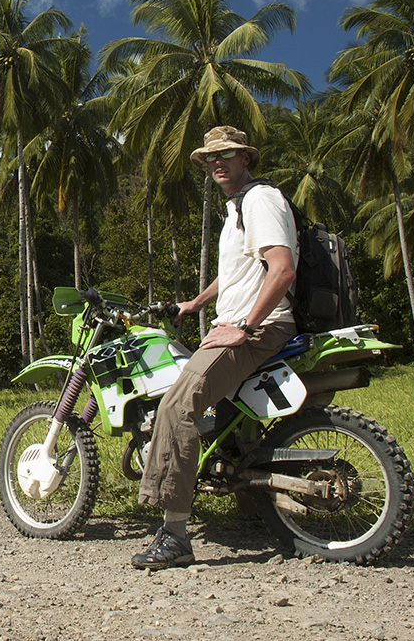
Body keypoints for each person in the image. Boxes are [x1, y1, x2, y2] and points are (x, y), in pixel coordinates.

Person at [131, 126, 298, 570]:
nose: (216, 163)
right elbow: (239, 271)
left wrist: (243, 326)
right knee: (219, 413)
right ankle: (249, 501)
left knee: (176, 407)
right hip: (245, 324)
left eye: (226, 154)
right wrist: (196, 303)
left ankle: (175, 535)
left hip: (260, 329)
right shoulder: (239, 207)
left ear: (246, 158)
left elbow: (282, 270)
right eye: (209, 158)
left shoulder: (259, 199)